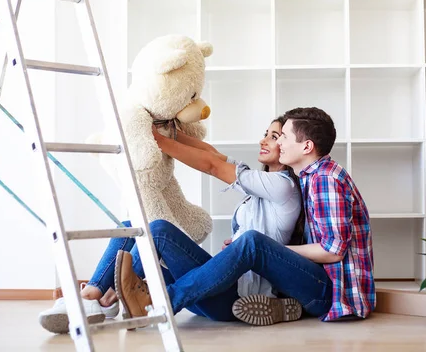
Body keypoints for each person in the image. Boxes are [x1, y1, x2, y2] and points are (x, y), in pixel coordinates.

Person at [37, 115, 305, 333]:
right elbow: (213, 154)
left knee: (159, 231)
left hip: (234, 298)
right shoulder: (256, 182)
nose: (264, 140)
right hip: (212, 286)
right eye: (266, 133)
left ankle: (95, 298)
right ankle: (101, 297)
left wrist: (154, 140)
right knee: (133, 225)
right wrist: (172, 134)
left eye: (274, 136)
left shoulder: (282, 186)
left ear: (288, 146)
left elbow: (212, 165)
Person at [116, 107, 375, 326]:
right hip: (304, 282)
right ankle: (111, 295)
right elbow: (214, 156)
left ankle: (161, 301)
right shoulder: (310, 177)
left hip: (331, 293)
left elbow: (334, 251)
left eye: (282, 136)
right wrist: (167, 132)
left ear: (306, 146)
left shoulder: (324, 180)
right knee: (156, 229)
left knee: (253, 242)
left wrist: (153, 140)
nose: (277, 142)